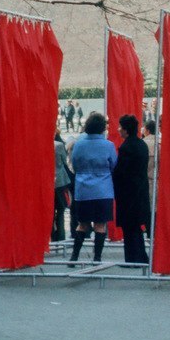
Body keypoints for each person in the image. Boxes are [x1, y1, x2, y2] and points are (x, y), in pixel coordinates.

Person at [69, 112, 119, 264]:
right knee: (100, 224)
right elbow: (113, 165)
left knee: (82, 224)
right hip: (103, 189)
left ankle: (74, 256)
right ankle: (97, 257)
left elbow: (75, 165)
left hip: (83, 190)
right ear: (102, 128)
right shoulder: (108, 145)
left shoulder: (78, 144)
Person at [112, 114, 151, 264]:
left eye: (120, 127)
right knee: (135, 226)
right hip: (140, 189)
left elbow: (121, 171)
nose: (118, 129)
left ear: (126, 130)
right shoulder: (141, 144)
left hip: (128, 192)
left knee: (130, 227)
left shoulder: (126, 147)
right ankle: (140, 256)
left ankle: (132, 258)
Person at [52, 130, 71, 243]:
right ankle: (61, 235)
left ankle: (51, 236)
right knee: (61, 210)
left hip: (47, 180)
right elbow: (65, 161)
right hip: (60, 181)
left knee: (50, 211)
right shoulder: (58, 145)